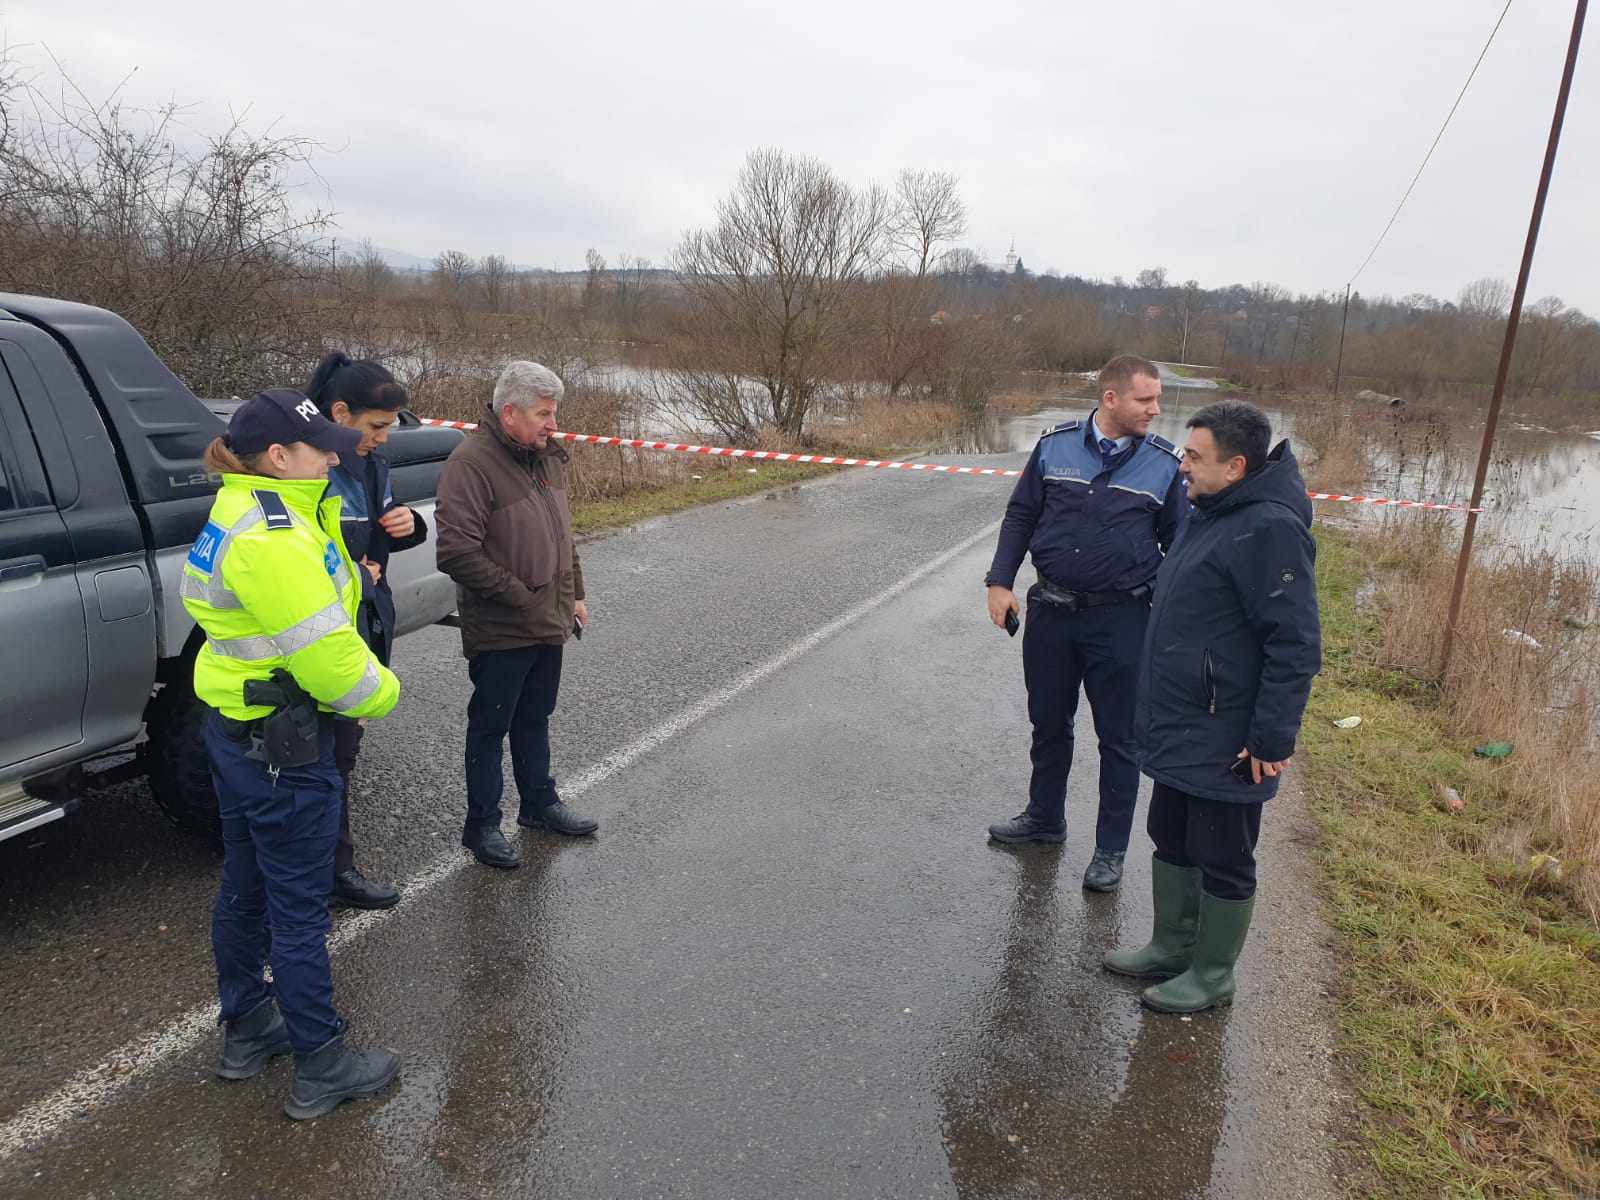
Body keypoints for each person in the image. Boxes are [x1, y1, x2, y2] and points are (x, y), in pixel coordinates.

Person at [181, 389, 403, 1119]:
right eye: (319, 447)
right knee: (300, 911)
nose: (335, 454)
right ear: (280, 457)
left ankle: (249, 1027)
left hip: (236, 726)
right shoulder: (274, 540)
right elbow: (335, 666)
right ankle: (322, 1062)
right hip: (284, 745)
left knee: (246, 881)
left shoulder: (240, 509)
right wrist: (384, 692)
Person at [1103, 399, 1321, 1013]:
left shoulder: (1271, 527)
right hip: (1182, 719)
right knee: (1170, 833)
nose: (1183, 468)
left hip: (1229, 732)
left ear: (1237, 466)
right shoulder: (1211, 509)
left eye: (1195, 458)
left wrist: (1273, 737)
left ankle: (1214, 973)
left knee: (1224, 853)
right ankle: (1173, 947)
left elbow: (1295, 643)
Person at [984, 355, 1188, 891]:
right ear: (1112, 398)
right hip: (1051, 614)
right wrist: (1000, 581)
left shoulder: (1166, 465)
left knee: (1118, 739)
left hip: (1121, 621)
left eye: (1157, 398)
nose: (1156, 409)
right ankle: (1044, 820)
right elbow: (1022, 514)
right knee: (1049, 725)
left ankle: (1110, 851)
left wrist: (1158, 605)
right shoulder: (1055, 446)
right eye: (1146, 399)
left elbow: (1183, 546)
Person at [434, 360, 598, 870]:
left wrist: (573, 594)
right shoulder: (471, 464)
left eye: (554, 413)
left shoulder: (545, 456)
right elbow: (456, 552)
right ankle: (482, 825)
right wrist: (521, 595)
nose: (553, 425)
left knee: (535, 717)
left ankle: (539, 805)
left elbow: (561, 535)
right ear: (509, 412)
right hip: (503, 625)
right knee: (490, 726)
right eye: (544, 414)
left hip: (550, 618)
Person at [304, 352, 430, 910]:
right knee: (316, 758)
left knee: (341, 754)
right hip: (318, 634)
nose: (383, 438)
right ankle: (325, 871)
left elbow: (380, 527)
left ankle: (332, 866)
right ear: (340, 412)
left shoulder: (371, 464)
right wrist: (349, 573)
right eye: (376, 426)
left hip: (364, 625)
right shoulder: (307, 469)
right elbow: (288, 553)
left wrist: (407, 524)